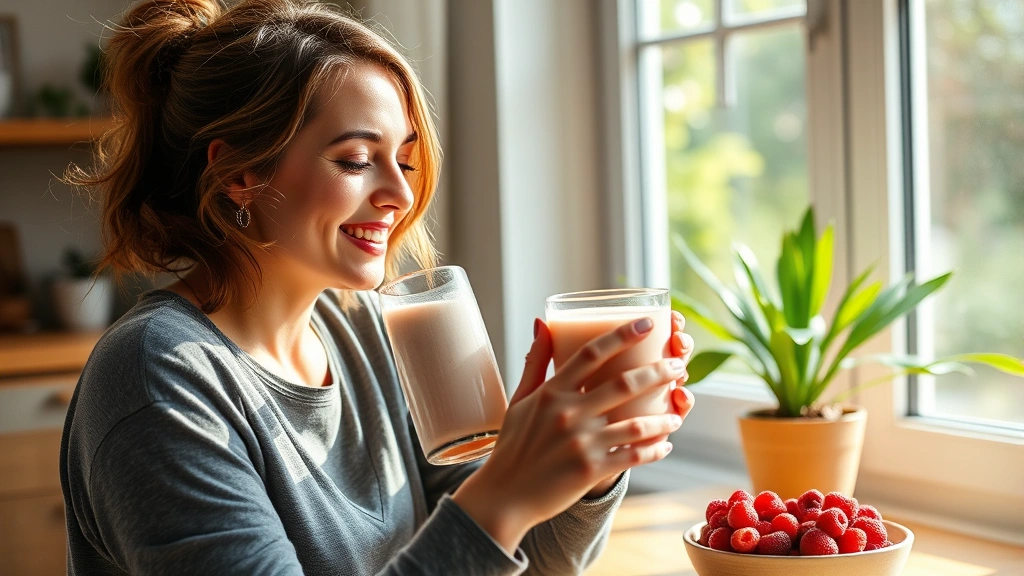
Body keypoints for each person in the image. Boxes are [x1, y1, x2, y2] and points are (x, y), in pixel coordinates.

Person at [59, 1, 697, 574]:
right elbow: (485, 528)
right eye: (357, 161)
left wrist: (587, 463)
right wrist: (503, 493)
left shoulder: (368, 326)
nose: (399, 194)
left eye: (406, 159)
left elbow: (522, 564)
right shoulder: (157, 378)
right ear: (239, 174)